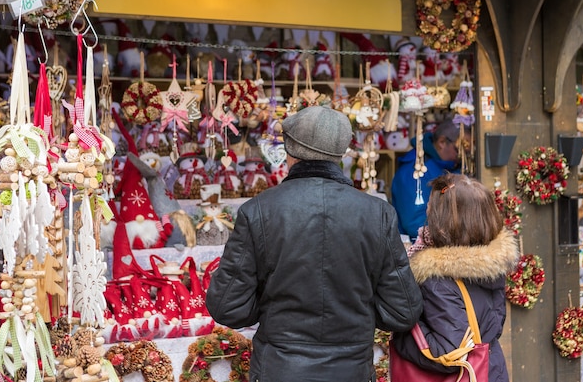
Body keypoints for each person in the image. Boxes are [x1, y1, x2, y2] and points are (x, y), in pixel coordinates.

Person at [206, 105, 423, 382]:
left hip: (280, 369)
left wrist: (272, 303)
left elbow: (227, 306)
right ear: (341, 154)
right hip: (350, 371)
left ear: (289, 152)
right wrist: (357, 310)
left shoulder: (259, 210)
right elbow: (402, 310)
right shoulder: (377, 214)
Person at [391, 173, 519, 382]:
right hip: (490, 371)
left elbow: (447, 354)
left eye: (432, 208)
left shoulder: (437, 280)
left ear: (444, 223)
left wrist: (402, 333)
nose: (427, 211)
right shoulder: (490, 266)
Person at [390, 118, 469, 239]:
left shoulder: (454, 167)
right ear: (442, 142)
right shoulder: (414, 172)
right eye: (459, 150)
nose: (463, 157)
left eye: (467, 152)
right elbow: (415, 223)